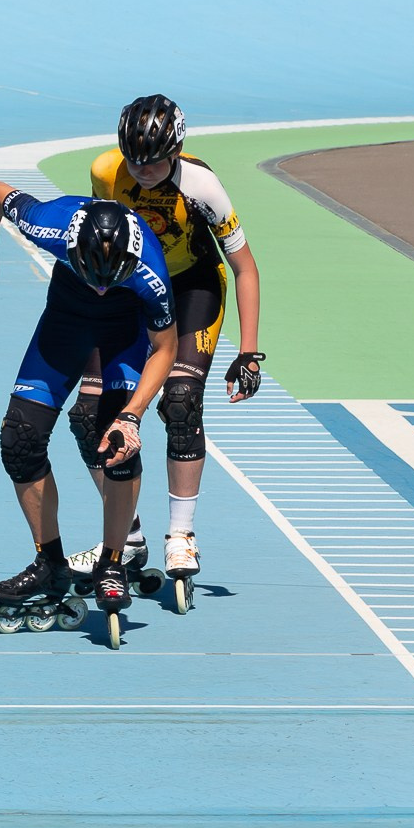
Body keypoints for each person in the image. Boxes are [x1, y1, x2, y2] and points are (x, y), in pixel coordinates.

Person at [70, 94, 264, 595]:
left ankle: (182, 533)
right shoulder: (105, 172)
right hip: (132, 290)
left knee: (180, 402)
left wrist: (248, 352)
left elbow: (244, 266)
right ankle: (128, 536)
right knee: (88, 415)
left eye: (155, 159)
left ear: (177, 148)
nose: (144, 169)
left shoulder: (202, 185)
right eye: (135, 159)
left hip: (193, 288)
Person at [0, 189, 177, 640]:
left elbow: (165, 349)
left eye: (111, 279)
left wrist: (132, 416)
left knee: (115, 442)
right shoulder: (48, 222)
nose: (102, 286)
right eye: (93, 276)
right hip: (65, 320)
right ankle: (49, 563)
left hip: (125, 330)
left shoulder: (151, 272)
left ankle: (113, 563)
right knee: (19, 439)